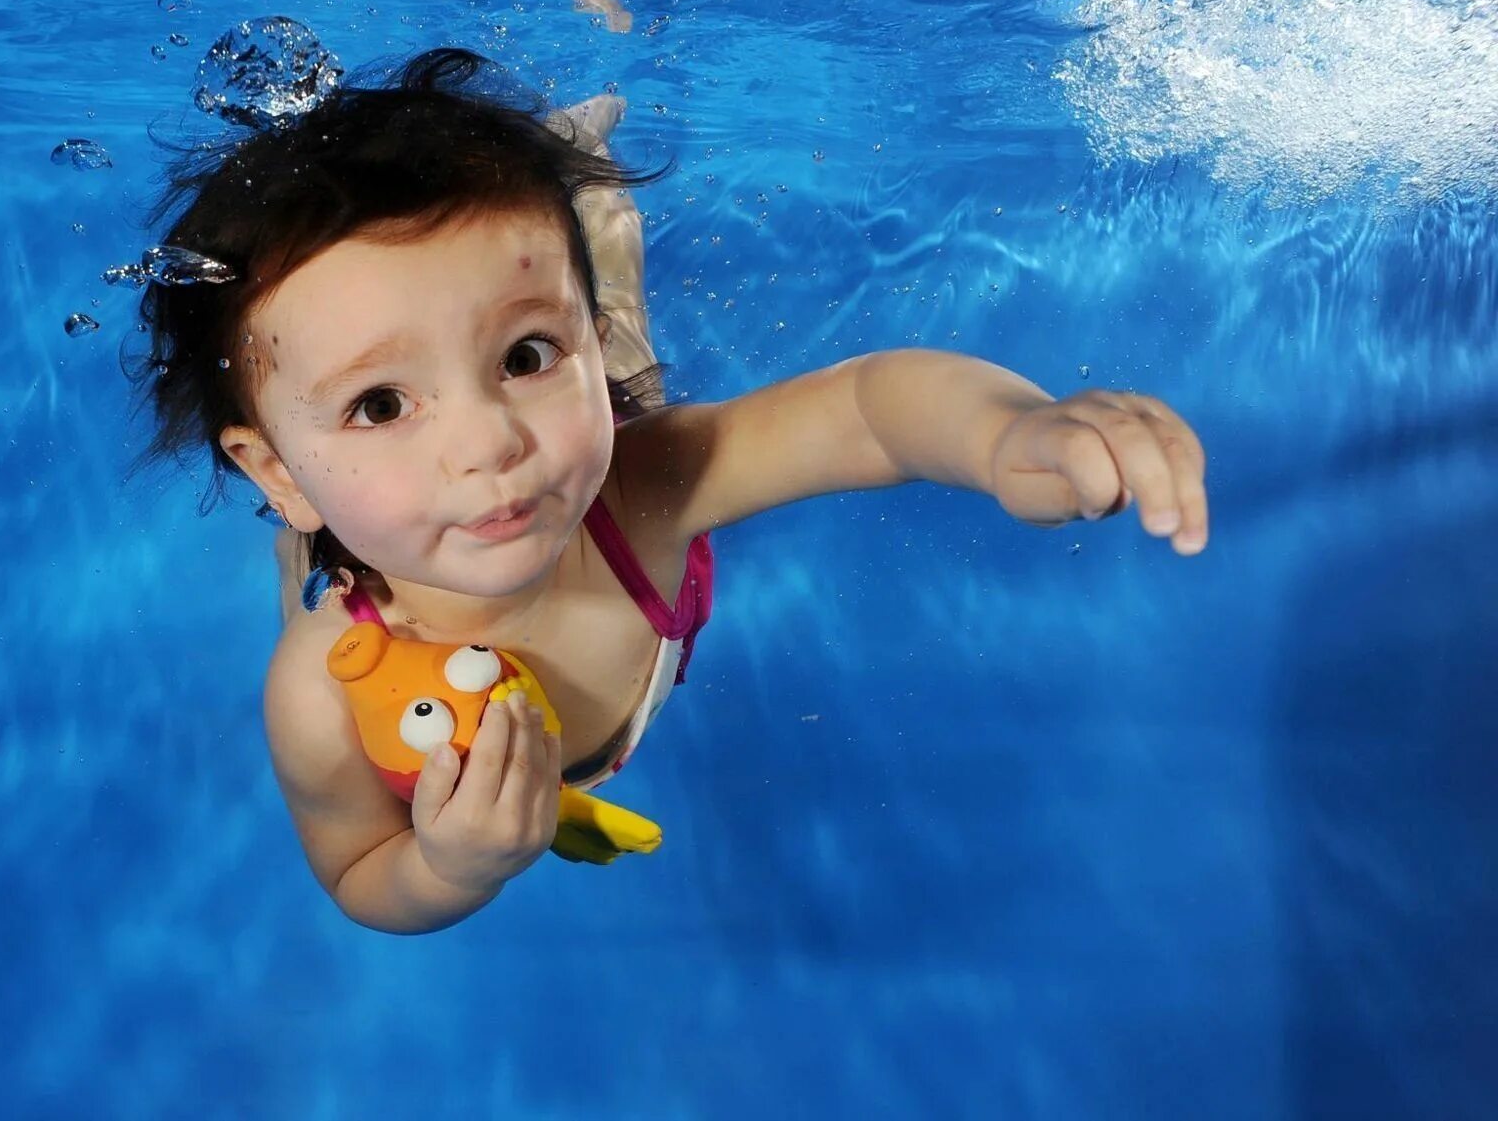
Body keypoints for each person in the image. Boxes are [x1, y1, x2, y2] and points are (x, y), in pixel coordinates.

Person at [130, 48, 1209, 935]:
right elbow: (359, 867)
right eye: (379, 402)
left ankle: (576, 196)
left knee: (610, 334)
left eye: (520, 360)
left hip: (602, 447)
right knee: (323, 558)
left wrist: (1007, 432)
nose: (490, 445)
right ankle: (346, 480)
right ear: (270, 465)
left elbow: (866, 407)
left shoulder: (635, 486)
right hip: (368, 577)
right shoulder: (316, 688)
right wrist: (451, 869)